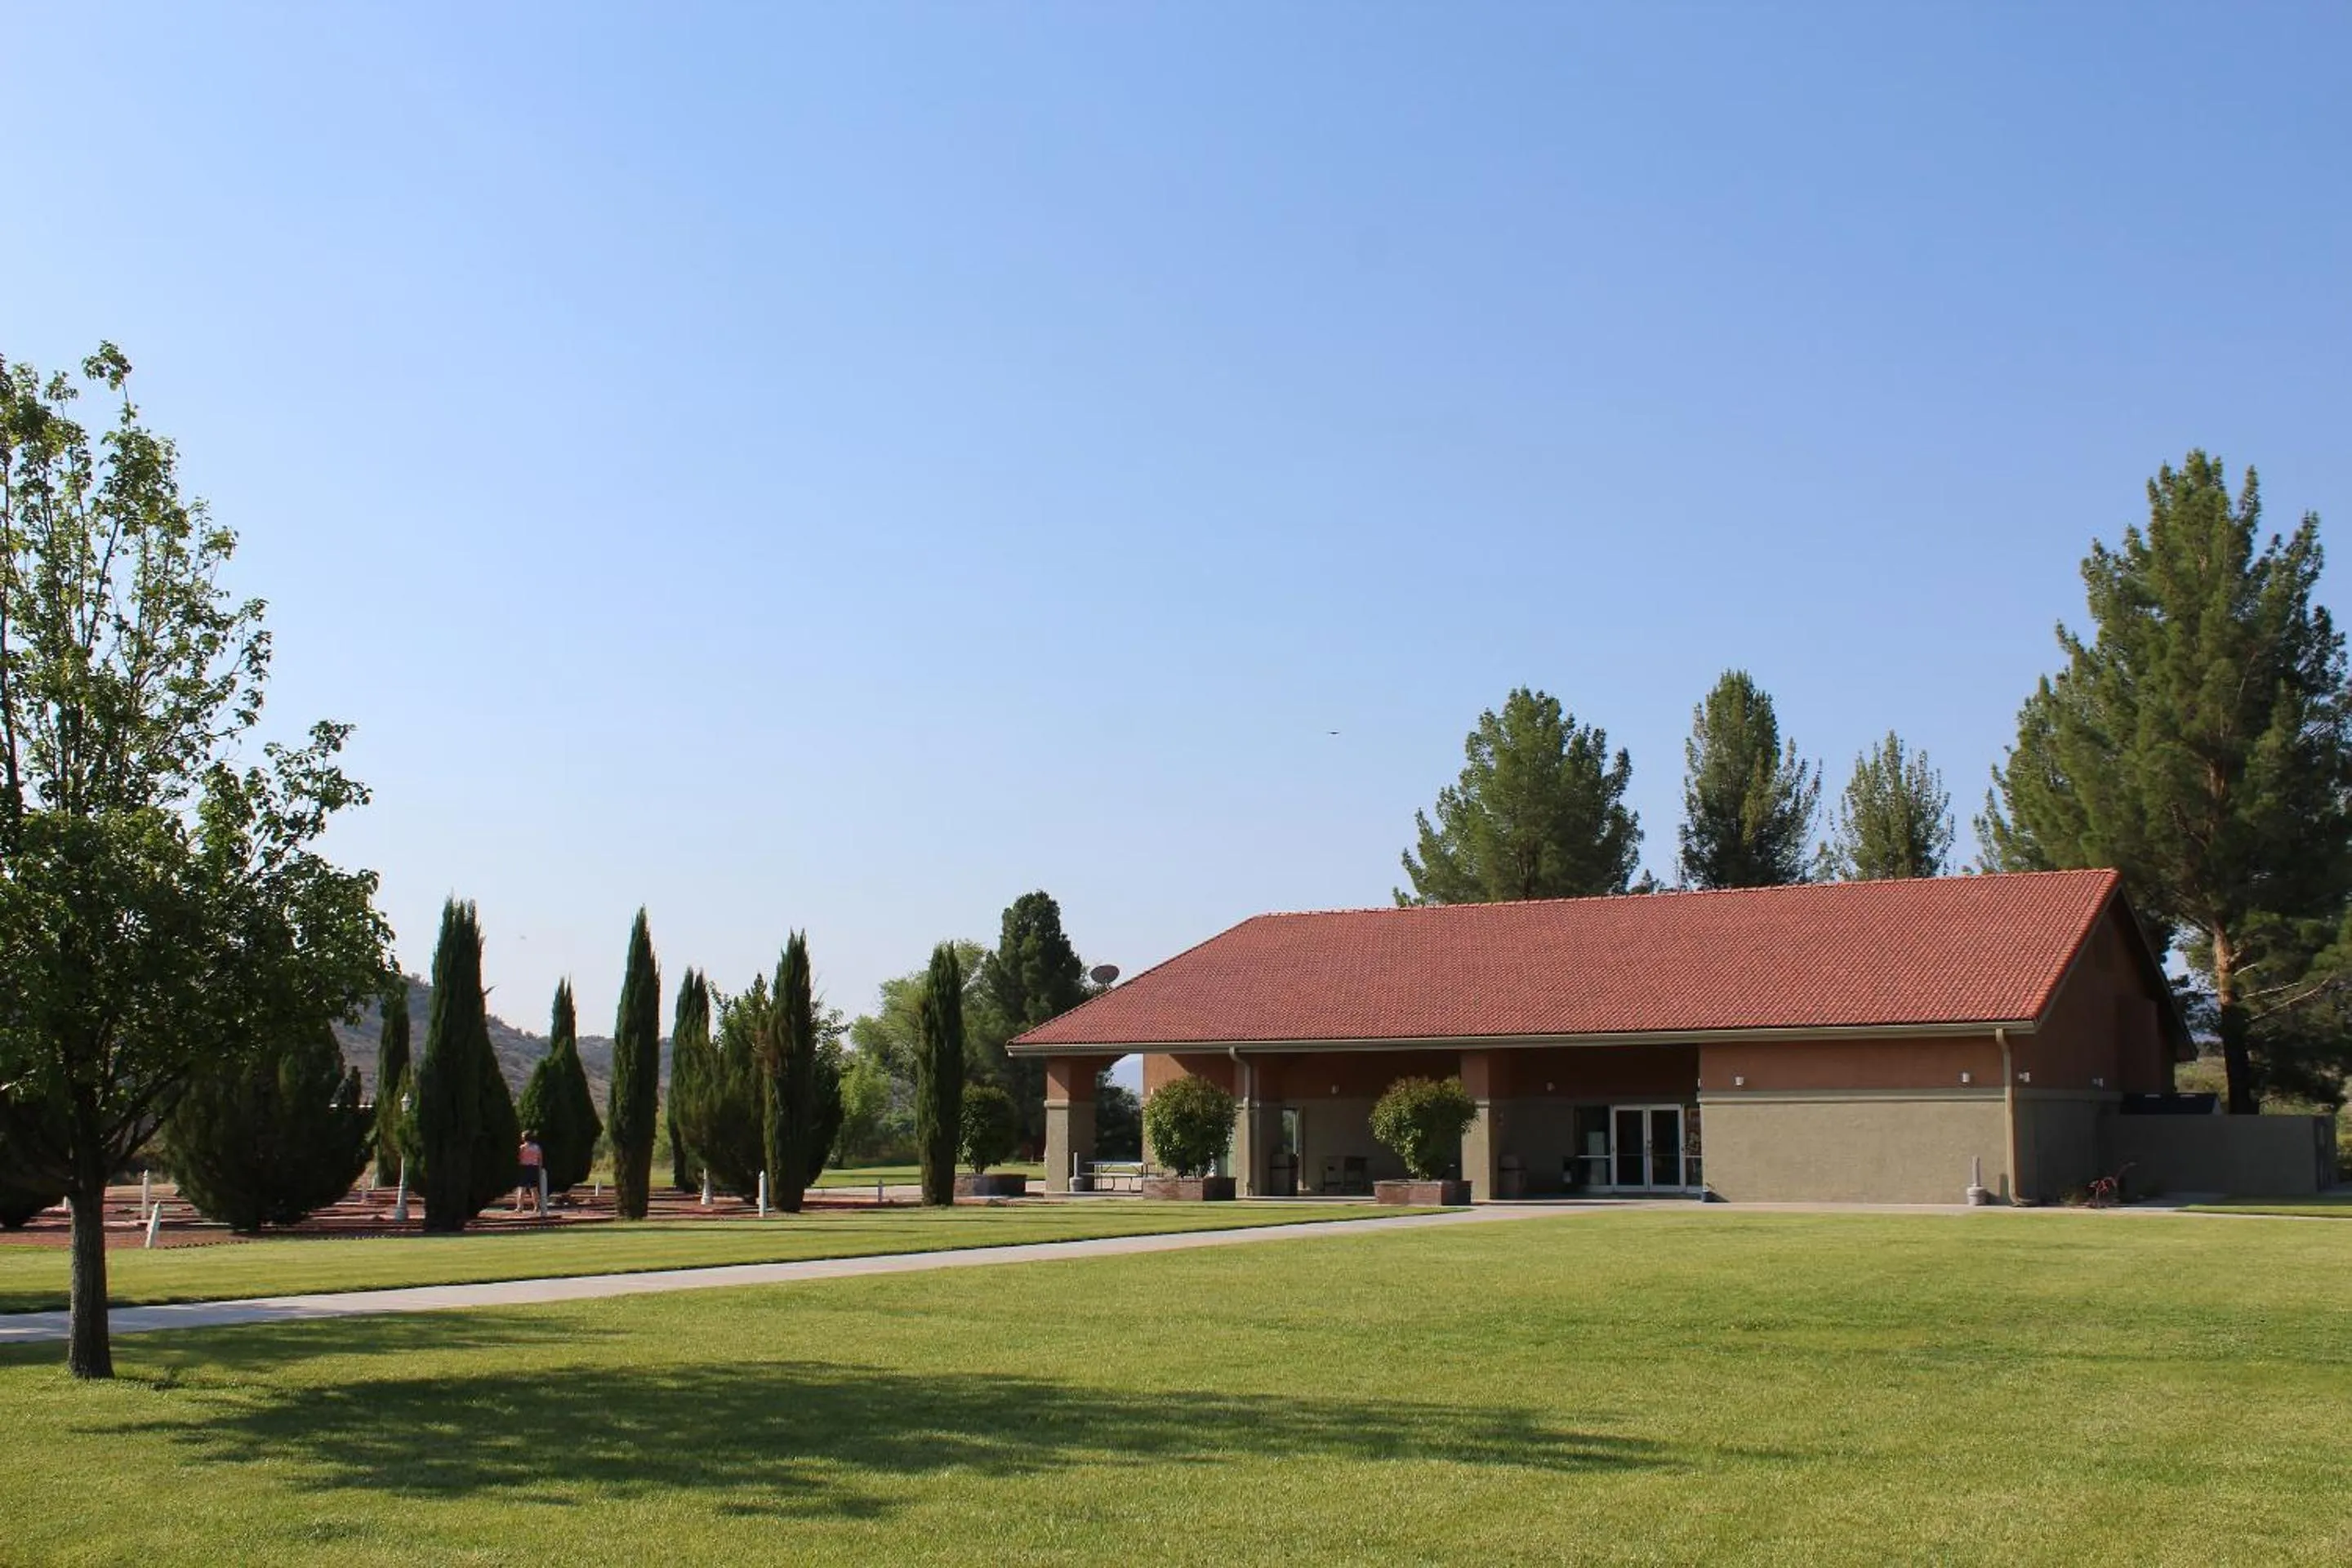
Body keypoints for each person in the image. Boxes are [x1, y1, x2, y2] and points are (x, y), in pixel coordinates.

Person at [516, 1131, 546, 1215]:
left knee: (522, 1188)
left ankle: (520, 1207)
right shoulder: (537, 1147)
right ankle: (536, 1207)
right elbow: (540, 1160)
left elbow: (519, 1158)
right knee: (534, 1188)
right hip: (534, 1168)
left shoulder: (522, 1147)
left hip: (524, 1168)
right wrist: (539, 1170)